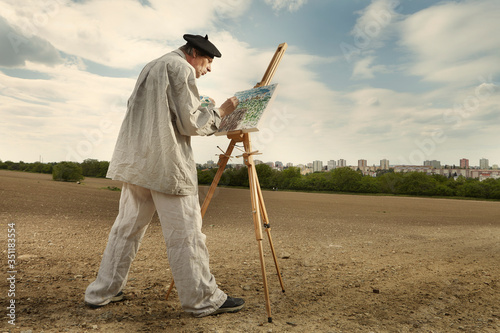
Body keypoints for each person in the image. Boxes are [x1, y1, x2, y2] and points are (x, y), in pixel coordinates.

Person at [84, 34, 244, 317]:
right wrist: (221, 111)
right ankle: (202, 300)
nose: (207, 70)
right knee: (185, 234)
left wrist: (201, 105)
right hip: (166, 166)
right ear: (194, 53)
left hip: (138, 162)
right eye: (207, 62)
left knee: (126, 229)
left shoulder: (153, 65)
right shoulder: (181, 68)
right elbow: (191, 123)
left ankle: (102, 292)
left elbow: (161, 111)